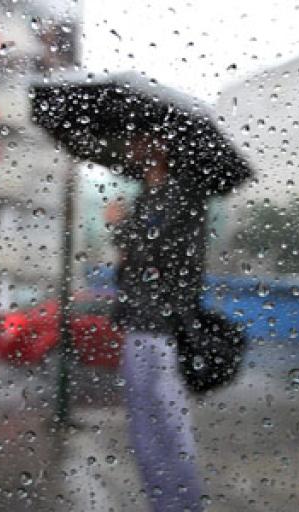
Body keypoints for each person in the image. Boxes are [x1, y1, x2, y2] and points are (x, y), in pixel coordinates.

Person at [111, 135, 207, 512]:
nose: (132, 146)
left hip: (162, 328)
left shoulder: (178, 195)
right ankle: (164, 504)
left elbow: (160, 253)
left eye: (139, 140)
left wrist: (121, 227)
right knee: (145, 429)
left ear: (161, 147)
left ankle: (183, 505)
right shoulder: (147, 196)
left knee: (167, 426)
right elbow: (135, 265)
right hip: (142, 323)